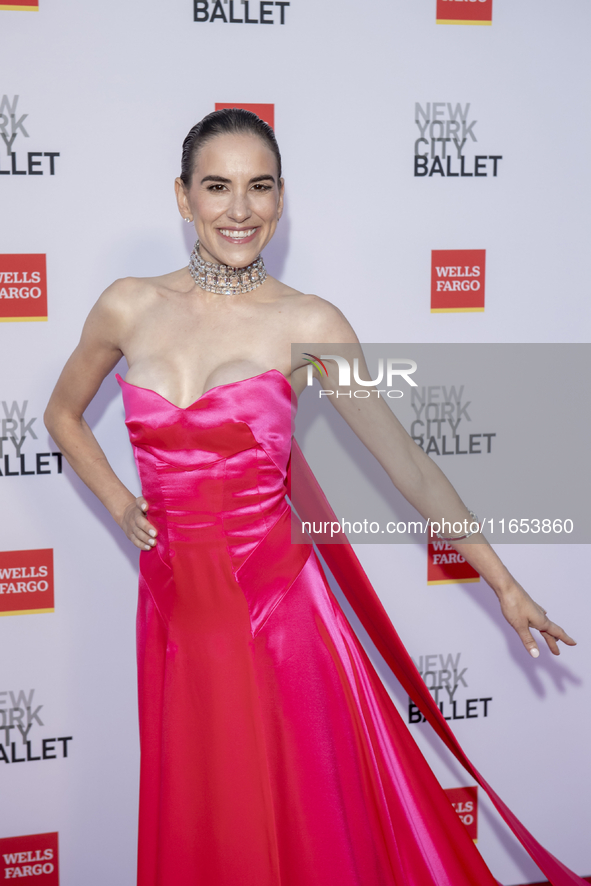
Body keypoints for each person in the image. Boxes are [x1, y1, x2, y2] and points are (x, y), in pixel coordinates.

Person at [44, 109, 581, 886]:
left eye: (258, 188)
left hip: (282, 620)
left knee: (305, 828)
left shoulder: (310, 323)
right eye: (217, 187)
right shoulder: (127, 306)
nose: (239, 210)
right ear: (182, 196)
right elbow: (63, 413)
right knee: (209, 822)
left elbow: (409, 465)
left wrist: (502, 581)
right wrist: (119, 501)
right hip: (177, 613)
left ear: (281, 198)